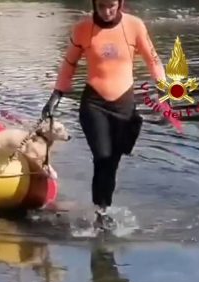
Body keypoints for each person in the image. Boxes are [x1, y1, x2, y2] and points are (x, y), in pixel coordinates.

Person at [40, 0, 166, 230]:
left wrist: (163, 90)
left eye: (111, 6)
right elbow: (69, 64)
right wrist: (55, 97)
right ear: (93, 4)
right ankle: (100, 213)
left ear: (120, 4)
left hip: (124, 105)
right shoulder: (83, 29)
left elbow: (153, 60)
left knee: (112, 162)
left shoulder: (134, 26)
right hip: (94, 103)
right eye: (101, 6)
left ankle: (104, 208)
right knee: (102, 156)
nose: (106, 12)